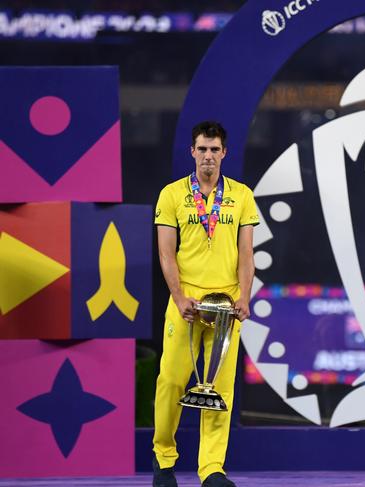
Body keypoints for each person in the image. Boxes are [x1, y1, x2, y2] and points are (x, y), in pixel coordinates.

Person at [152, 121, 258, 487]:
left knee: (219, 388)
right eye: (203, 149)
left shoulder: (242, 195)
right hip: (187, 300)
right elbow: (166, 253)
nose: (208, 156)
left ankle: (212, 469)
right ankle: (164, 459)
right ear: (192, 152)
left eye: (215, 150)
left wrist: (244, 296)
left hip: (227, 305)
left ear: (224, 153)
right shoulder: (172, 195)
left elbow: (247, 253)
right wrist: (179, 296)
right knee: (171, 380)